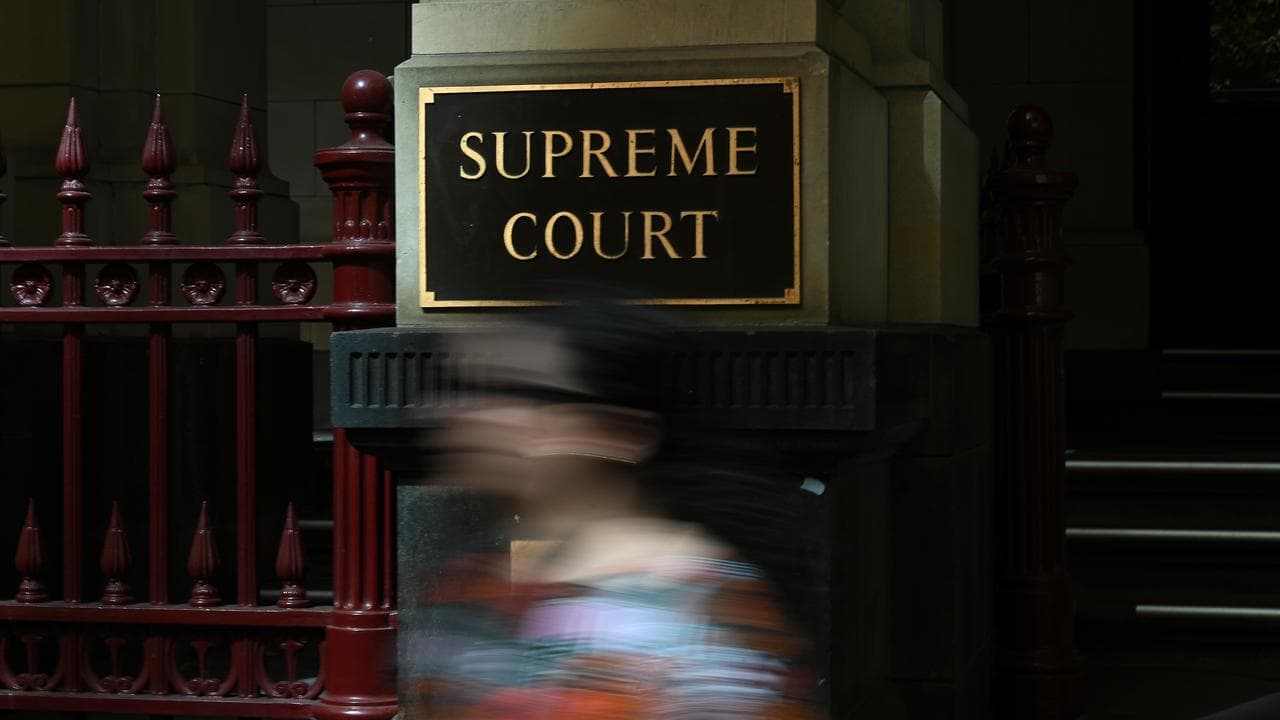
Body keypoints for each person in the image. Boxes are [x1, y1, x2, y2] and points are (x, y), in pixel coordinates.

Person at [400, 301, 821, 719]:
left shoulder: (707, 611)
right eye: (462, 387)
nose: (463, 412)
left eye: (515, 392)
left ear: (620, 431)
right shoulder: (474, 583)